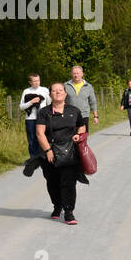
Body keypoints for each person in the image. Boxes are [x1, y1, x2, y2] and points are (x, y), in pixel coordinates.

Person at [35, 82, 87, 225]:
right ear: (50, 94)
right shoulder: (44, 112)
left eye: (60, 90)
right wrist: (48, 150)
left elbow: (81, 126)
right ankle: (57, 206)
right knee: (52, 182)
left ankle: (69, 211)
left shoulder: (74, 111)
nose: (57, 93)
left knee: (69, 182)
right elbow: (39, 133)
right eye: (54, 91)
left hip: (70, 152)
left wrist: (78, 135)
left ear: (65, 93)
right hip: (49, 152)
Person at [19, 73, 48, 158]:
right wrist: (31, 102)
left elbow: (49, 103)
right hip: (30, 118)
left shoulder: (45, 90)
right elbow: (21, 106)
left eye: (38, 80)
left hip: (43, 118)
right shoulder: (26, 91)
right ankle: (33, 158)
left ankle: (44, 157)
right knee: (32, 139)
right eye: (34, 81)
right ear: (30, 82)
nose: (37, 83)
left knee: (43, 137)